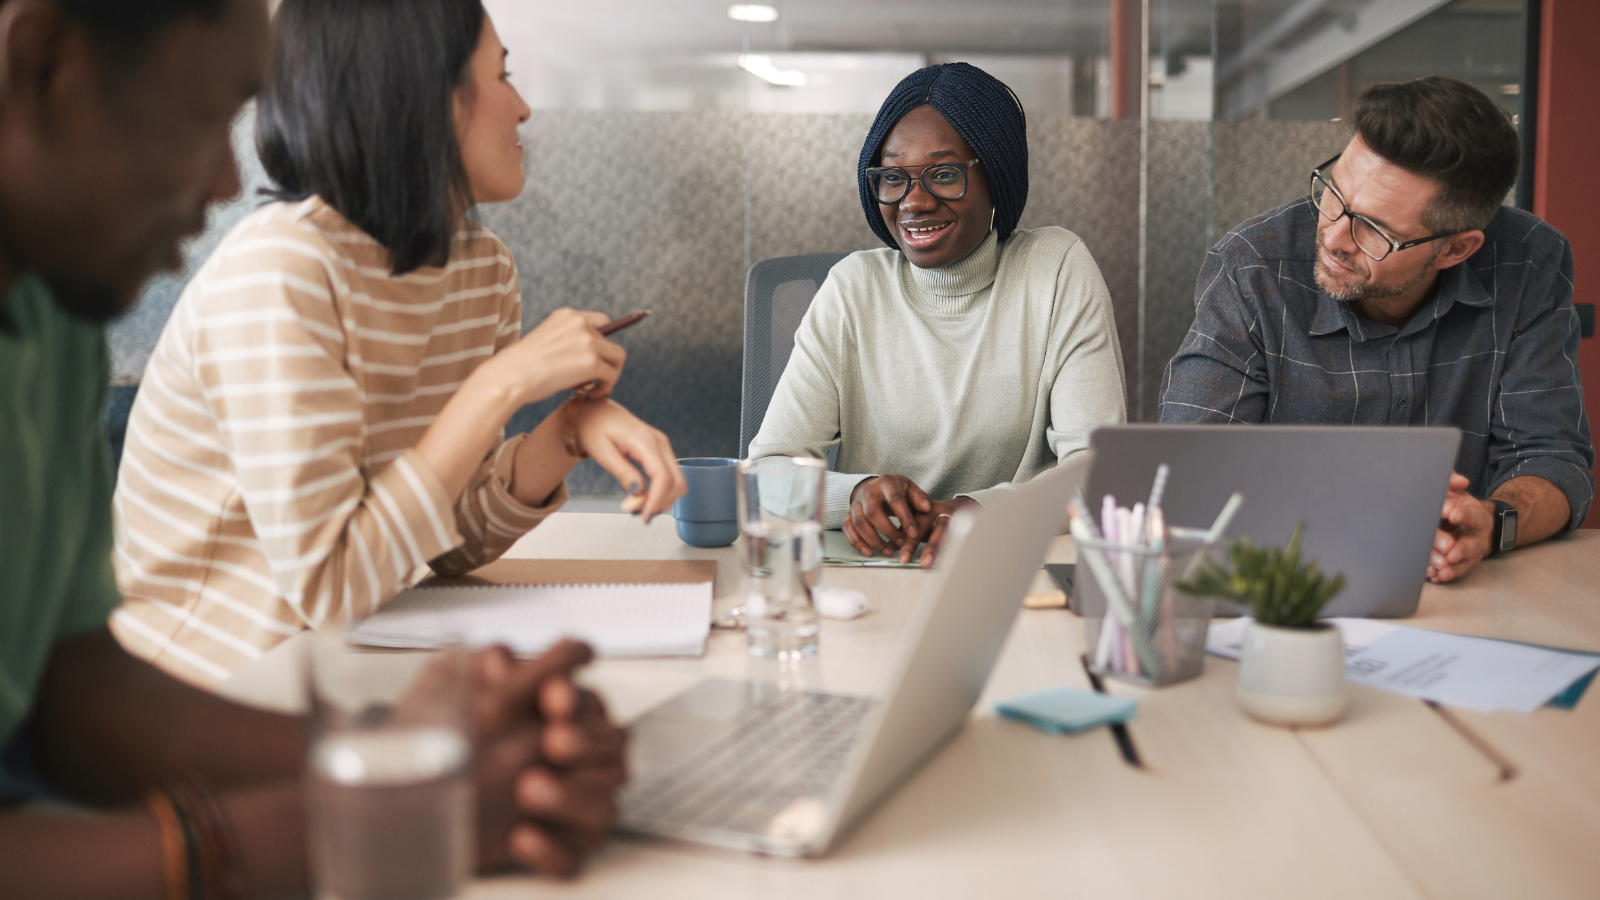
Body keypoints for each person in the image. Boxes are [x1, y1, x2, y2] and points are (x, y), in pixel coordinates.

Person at [0, 0, 626, 893]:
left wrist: (410, 755)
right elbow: (325, 583)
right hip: (240, 668)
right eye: (205, 115)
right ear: (44, 65)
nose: (230, 181)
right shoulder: (278, 269)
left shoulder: (55, 317)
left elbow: (80, 695)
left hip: (316, 670)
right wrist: (394, 803)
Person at [111, 0, 686, 686]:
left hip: (341, 671)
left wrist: (566, 433)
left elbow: (452, 539)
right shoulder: (283, 270)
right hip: (197, 688)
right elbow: (330, 588)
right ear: (428, 98)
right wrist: (502, 383)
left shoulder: (482, 270)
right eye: (502, 76)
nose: (524, 109)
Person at [1159, 76, 1593, 584]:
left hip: (1457, 589)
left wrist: (1491, 523)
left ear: (1456, 249)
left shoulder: (1529, 263)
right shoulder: (1251, 268)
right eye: (1334, 194)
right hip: (1282, 581)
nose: (1334, 237)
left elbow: (1552, 460)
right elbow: (1188, 468)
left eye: (1376, 229)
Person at [746, 62, 1127, 567]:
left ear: (996, 176)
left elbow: (1099, 473)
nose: (915, 202)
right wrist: (853, 496)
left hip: (1005, 569)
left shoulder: (1055, 271)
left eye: (944, 175)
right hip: (872, 572)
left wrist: (976, 512)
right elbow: (765, 472)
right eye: (894, 178)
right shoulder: (852, 289)